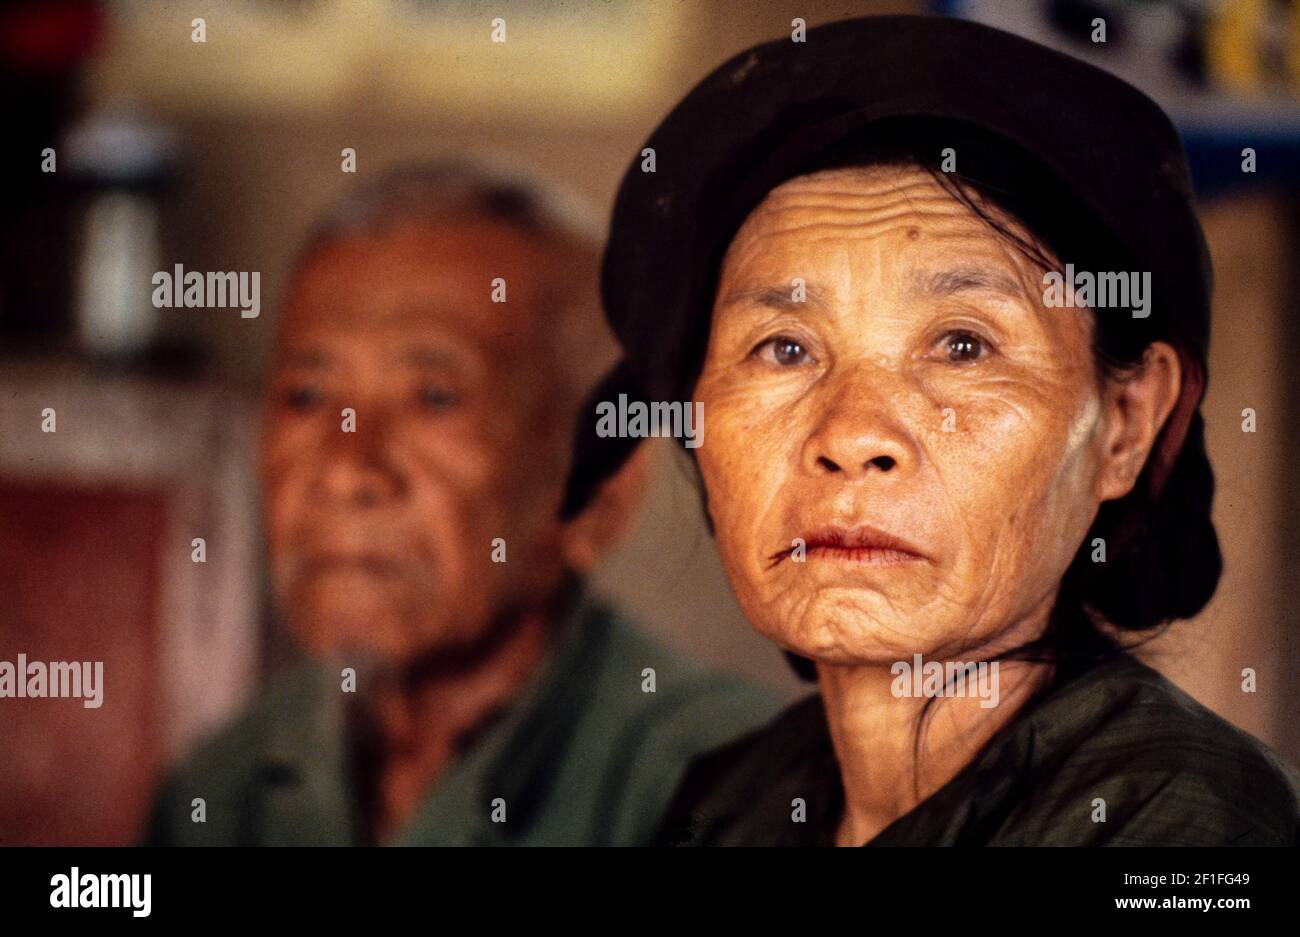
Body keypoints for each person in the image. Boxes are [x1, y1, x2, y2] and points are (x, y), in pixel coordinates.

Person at [569, 15, 1300, 845]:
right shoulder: (734, 802)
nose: (851, 436)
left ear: (1126, 425)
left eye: (962, 346)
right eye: (784, 348)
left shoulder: (1186, 823)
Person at [143, 162, 779, 846]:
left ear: (602, 487)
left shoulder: (729, 789)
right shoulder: (224, 788)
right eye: (306, 396)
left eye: (434, 397)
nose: (347, 470)